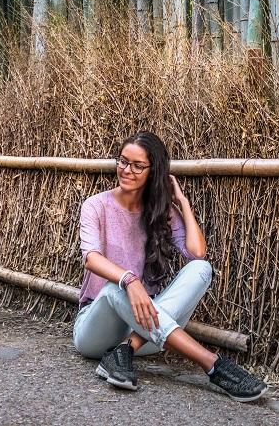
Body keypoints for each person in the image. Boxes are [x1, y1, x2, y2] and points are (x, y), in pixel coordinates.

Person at [72, 131, 268, 402]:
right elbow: (91, 258)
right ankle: (213, 365)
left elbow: (197, 252)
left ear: (154, 172)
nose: (127, 170)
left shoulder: (160, 212)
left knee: (202, 269)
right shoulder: (95, 206)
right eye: (122, 161)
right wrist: (130, 280)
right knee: (115, 288)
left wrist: (182, 203)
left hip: (146, 330)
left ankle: (124, 352)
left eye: (138, 166)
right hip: (94, 330)